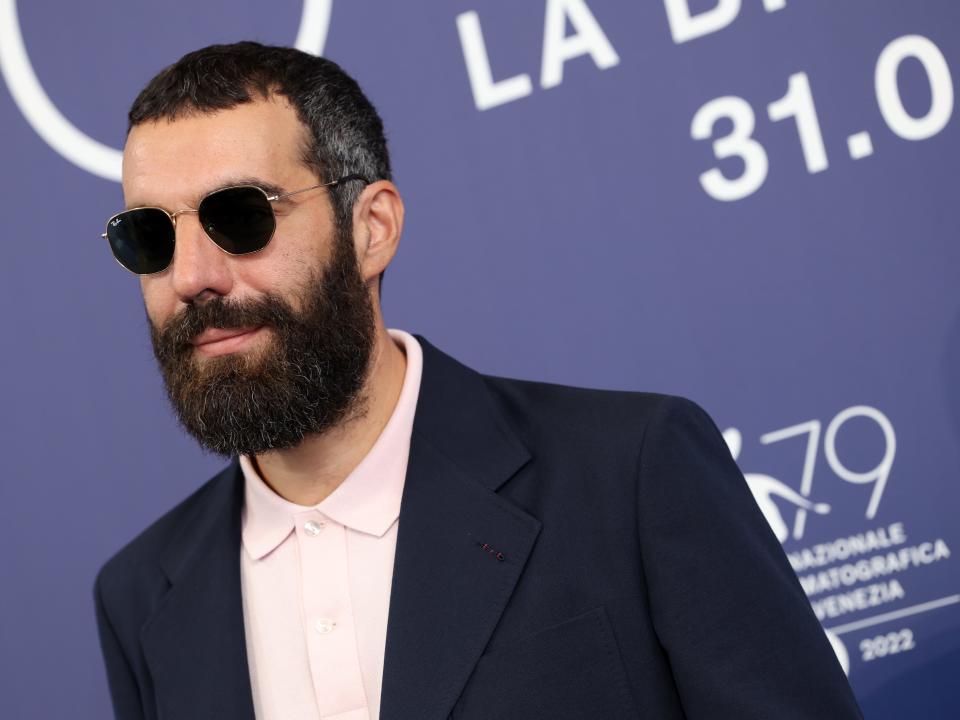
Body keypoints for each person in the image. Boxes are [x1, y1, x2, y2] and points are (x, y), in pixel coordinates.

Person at [94, 41, 864, 720]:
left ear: (372, 229)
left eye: (239, 215)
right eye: (149, 236)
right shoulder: (140, 598)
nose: (191, 276)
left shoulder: (629, 473)